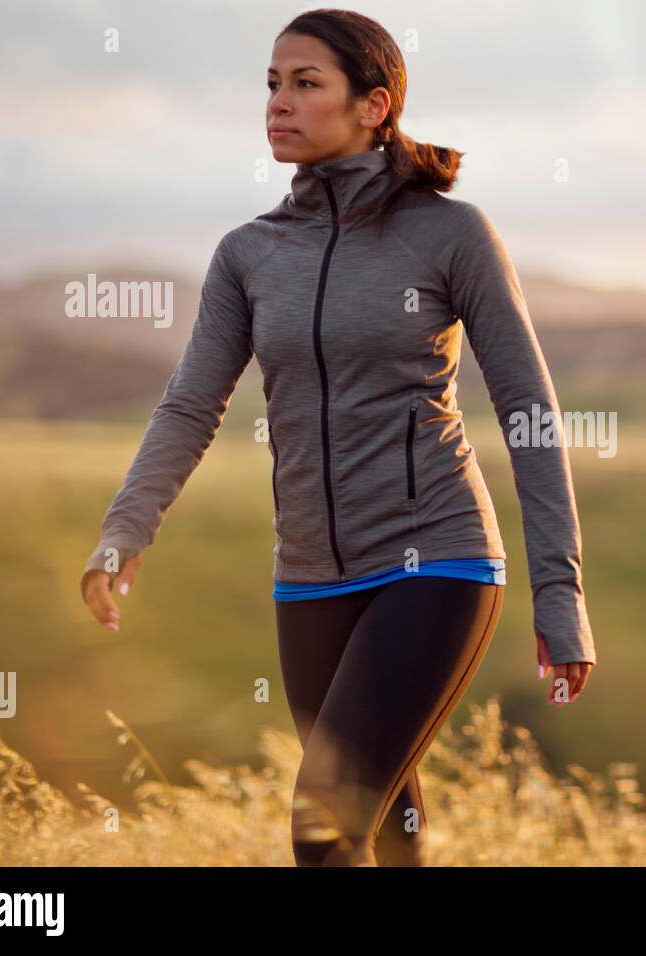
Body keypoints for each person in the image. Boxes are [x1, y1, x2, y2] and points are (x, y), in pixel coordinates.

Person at [79, 8, 597, 866]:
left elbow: (529, 409)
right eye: (272, 84)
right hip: (309, 577)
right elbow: (189, 405)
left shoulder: (449, 233)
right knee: (387, 829)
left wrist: (560, 592)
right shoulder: (249, 253)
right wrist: (124, 530)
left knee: (324, 825)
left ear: (374, 104)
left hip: (435, 559)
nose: (278, 102)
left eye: (306, 83)